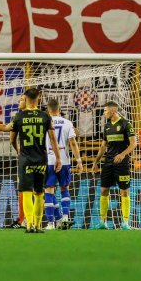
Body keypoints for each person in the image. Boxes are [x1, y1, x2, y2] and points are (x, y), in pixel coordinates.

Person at [9, 88, 61, 233]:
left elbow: (12, 139)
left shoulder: (19, 117)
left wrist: (18, 149)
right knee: (39, 192)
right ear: (39, 97)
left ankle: (30, 224)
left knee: (26, 191)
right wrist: (58, 158)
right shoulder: (45, 116)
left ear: (25, 97)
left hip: (25, 158)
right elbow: (53, 139)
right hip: (41, 158)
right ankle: (38, 225)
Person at [91, 101, 137, 230]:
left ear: (112, 111)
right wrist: (96, 161)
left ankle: (125, 223)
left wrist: (122, 154)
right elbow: (103, 146)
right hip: (108, 163)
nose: (104, 113)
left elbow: (134, 144)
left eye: (105, 111)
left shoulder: (126, 124)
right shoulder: (106, 126)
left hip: (122, 164)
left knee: (124, 192)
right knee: (104, 190)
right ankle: (102, 222)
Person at [44, 98, 83, 230]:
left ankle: (50, 224)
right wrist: (79, 161)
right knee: (64, 189)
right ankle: (65, 217)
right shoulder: (67, 123)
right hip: (64, 161)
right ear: (59, 109)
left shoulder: (44, 122)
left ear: (48, 110)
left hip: (49, 160)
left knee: (49, 190)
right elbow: (73, 143)